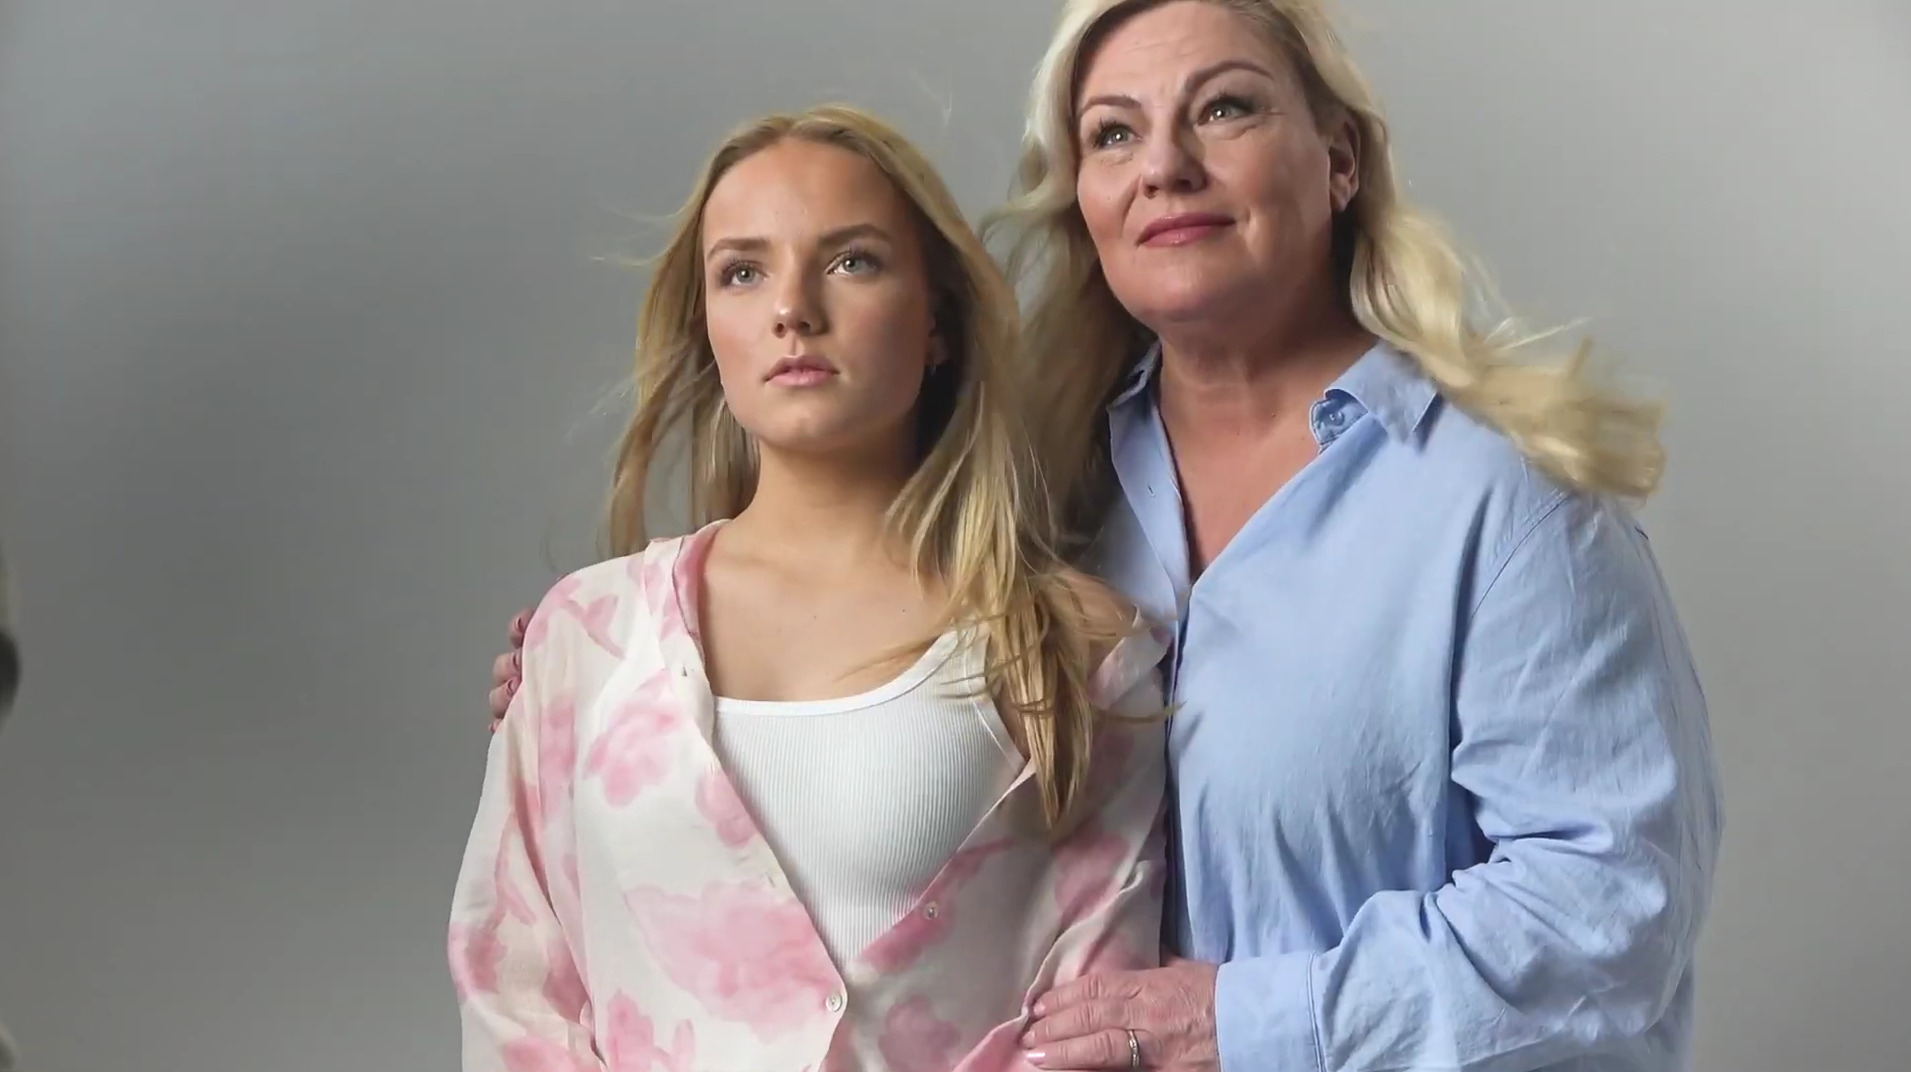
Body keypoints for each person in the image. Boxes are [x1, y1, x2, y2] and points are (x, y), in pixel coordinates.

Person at [489, 2, 1724, 1070]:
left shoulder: (1505, 506)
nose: (1166, 167)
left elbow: (1611, 914)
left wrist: (1241, 1022)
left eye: (1226, 109)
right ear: (1080, 197)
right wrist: (607, 694)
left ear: (1340, 158)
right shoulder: (1050, 500)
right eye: (1114, 133)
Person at [448, 104, 1172, 1072]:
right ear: (708, 325)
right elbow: (517, 994)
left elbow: (1096, 1022)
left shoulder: (1073, 648)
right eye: (742, 272)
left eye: (851, 261)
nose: (791, 309)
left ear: (937, 322)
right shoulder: (589, 636)